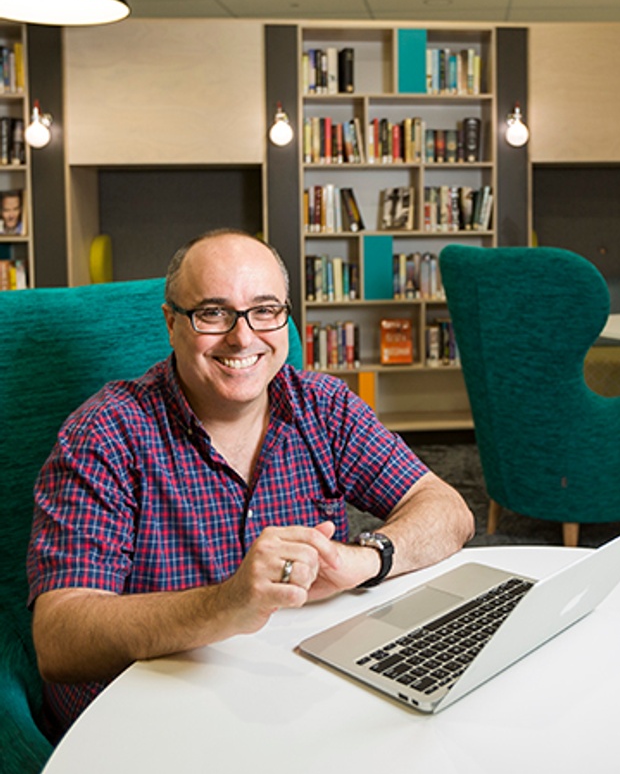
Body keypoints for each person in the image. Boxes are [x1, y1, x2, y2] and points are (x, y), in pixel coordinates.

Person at [27, 229, 475, 739]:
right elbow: (59, 639)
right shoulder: (105, 435)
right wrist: (225, 603)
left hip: (289, 693)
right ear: (171, 323)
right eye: (213, 313)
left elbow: (447, 509)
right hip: (148, 720)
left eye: (264, 310)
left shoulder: (323, 406)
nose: (243, 338)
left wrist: (367, 558)